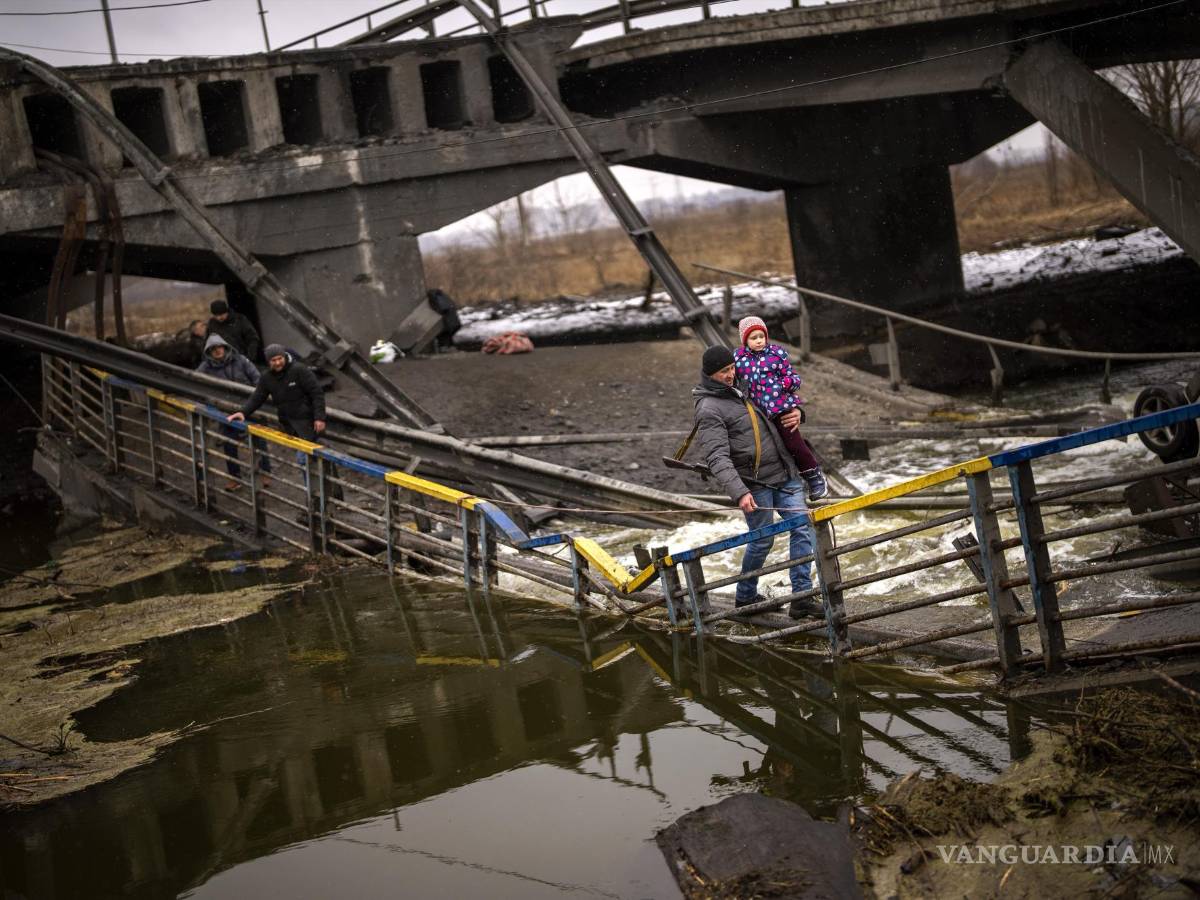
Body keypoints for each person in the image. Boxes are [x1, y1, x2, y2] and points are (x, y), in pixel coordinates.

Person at [693, 345, 821, 619]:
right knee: (763, 540)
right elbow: (717, 457)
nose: (729, 375)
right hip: (755, 483)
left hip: (786, 474)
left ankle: (802, 598)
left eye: (730, 368)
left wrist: (798, 411)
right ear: (709, 375)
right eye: (722, 372)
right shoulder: (708, 408)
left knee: (801, 529)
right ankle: (746, 596)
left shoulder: (749, 385)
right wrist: (739, 492)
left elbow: (780, 401)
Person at [226, 344, 341, 515]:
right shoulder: (267, 378)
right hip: (289, 424)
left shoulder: (299, 370)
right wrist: (243, 412)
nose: (278, 362)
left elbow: (316, 393)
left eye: (279, 358)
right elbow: (258, 397)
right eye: (273, 360)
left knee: (305, 460)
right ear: (269, 362)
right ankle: (321, 499)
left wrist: (319, 417)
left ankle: (317, 501)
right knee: (310, 462)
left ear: (284, 356)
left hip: (308, 422)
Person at [734, 316, 827, 501]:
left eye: (762, 336)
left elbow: (794, 378)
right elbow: (733, 380)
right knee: (771, 447)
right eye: (753, 338)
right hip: (758, 412)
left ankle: (814, 476)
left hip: (780, 407)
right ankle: (787, 484)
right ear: (745, 340)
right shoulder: (738, 358)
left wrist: (783, 383)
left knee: (793, 443)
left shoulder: (777, 354)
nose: (759, 340)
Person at [196, 333, 271, 491]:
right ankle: (234, 478)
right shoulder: (205, 368)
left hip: (250, 406)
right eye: (213, 349)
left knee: (259, 441)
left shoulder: (241, 360)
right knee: (229, 444)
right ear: (208, 352)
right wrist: (213, 403)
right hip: (226, 410)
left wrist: (256, 400)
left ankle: (265, 473)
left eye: (219, 347)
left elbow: (258, 379)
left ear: (225, 347)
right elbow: (195, 383)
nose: (217, 351)